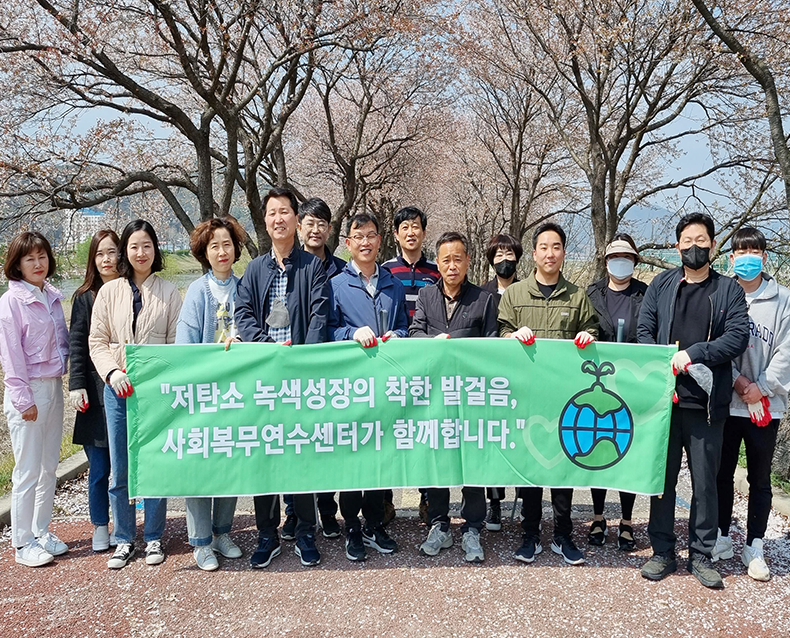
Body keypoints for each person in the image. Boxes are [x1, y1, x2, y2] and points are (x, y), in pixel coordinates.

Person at [637, 213, 748, 589]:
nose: (694, 247)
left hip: (706, 405)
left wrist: (695, 353)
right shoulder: (662, 284)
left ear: (713, 246)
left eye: (701, 240)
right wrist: (663, 359)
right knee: (663, 480)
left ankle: (701, 554)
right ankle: (662, 551)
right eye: (687, 240)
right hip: (664, 403)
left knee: (705, 483)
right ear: (677, 245)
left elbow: (737, 338)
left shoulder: (728, 290)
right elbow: (644, 330)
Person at [234, 187, 329, 569]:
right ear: (266, 220)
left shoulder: (313, 267)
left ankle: (306, 531)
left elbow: (320, 318)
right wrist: (266, 351)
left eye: (285, 212)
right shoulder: (255, 269)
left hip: (300, 380)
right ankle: (267, 533)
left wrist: (299, 362)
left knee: (302, 459)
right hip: (265, 380)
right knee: (265, 458)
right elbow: (243, 313)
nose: (278, 219)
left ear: (295, 218)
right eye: (272, 212)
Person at [498, 222, 599, 566]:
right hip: (526, 396)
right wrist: (511, 337)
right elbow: (500, 334)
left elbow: (592, 329)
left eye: (556, 247)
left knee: (561, 467)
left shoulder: (577, 295)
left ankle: (562, 534)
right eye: (543, 247)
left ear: (563, 253)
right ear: (535, 253)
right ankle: (530, 534)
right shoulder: (515, 294)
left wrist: (588, 336)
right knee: (530, 466)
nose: (550, 253)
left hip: (564, 397)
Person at [89, 220, 182, 570]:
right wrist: (112, 373)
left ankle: (154, 536)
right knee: (121, 467)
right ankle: (124, 538)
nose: (140, 253)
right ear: (125, 251)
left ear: (155, 249)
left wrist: (159, 377)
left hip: (155, 392)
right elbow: (97, 342)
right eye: (133, 246)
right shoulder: (109, 292)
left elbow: (176, 345)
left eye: (146, 245)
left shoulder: (170, 292)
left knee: (155, 463)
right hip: (117, 390)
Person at [410, 231, 497, 562]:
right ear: (438, 263)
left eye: (457, 258)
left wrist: (458, 342)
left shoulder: (484, 299)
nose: (451, 265)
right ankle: (439, 524)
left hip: (471, 396)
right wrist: (436, 342)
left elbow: (491, 345)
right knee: (438, 461)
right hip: (435, 395)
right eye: (445, 259)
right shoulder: (426, 296)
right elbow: (416, 332)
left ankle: (472, 527)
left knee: (472, 461)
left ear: (468, 260)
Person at [712, 227, 790, 581]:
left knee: (759, 477)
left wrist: (761, 387)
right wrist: (740, 382)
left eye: (754, 251)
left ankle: (754, 545)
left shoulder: (782, 299)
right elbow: (712, 345)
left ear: (764, 256)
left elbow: (786, 353)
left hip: (765, 407)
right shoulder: (720, 294)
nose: (747, 257)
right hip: (727, 402)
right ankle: (721, 536)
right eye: (740, 251)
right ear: (731, 257)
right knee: (721, 473)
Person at [329, 212, 407, 561]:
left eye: (371, 235)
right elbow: (328, 331)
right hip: (350, 388)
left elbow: (406, 326)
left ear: (379, 241)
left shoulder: (392, 283)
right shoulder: (336, 284)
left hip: (385, 386)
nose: (365, 242)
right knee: (351, 461)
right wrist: (350, 333)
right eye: (358, 236)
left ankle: (375, 525)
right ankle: (352, 528)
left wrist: (398, 336)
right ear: (348, 243)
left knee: (379, 458)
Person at [175, 216, 247, 571]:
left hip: (238, 392)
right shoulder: (195, 293)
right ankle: (201, 541)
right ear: (205, 251)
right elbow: (184, 346)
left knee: (231, 461)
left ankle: (223, 532)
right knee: (201, 464)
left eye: (227, 244)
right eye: (214, 245)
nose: (222, 251)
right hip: (204, 393)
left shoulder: (244, 287)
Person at [0, 232, 69, 567]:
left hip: (53, 385)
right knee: (27, 470)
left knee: (48, 467)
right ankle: (22, 541)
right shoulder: (11, 302)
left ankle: (41, 530)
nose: (38, 264)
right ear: (17, 264)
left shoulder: (52, 296)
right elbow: (11, 357)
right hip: (28, 389)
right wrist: (23, 399)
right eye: (30, 259)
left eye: (42, 257)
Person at [280, 197, 346, 541]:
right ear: (299, 226)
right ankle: (292, 510)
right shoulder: (287, 266)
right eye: (310, 222)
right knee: (294, 440)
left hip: (327, 368)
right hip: (290, 366)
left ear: (329, 229)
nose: (316, 229)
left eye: (323, 223)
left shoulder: (341, 269)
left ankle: (326, 508)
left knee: (325, 441)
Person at [585, 234, 648, 551]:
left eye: (626, 256)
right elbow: (585, 328)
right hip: (599, 384)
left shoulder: (645, 295)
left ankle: (625, 521)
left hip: (632, 384)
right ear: (606, 261)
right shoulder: (592, 293)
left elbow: (652, 336)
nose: (620, 262)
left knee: (626, 452)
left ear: (634, 261)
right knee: (599, 449)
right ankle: (598, 517)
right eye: (614, 256)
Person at [382, 206, 440, 524]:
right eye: (404, 226)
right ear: (395, 234)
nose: (410, 232)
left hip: (427, 365)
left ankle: (428, 498)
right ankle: (386, 500)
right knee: (392, 431)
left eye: (416, 226)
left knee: (426, 431)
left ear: (423, 231)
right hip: (393, 362)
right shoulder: (386, 271)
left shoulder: (436, 272)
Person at [68, 229, 120, 553]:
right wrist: (76, 385)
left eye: (112, 252)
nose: (106, 259)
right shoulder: (84, 296)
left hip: (123, 389)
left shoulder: (129, 292)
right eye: (100, 254)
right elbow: (76, 344)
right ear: (93, 258)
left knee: (122, 466)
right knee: (100, 467)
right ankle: (100, 526)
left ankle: (123, 525)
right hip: (94, 390)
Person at [479, 233, 524, 531]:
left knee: (521, 437)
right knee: (493, 440)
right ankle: (494, 503)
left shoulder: (527, 291)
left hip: (522, 377)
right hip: (490, 378)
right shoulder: (482, 294)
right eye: (499, 255)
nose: (504, 260)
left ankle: (524, 500)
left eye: (509, 254)